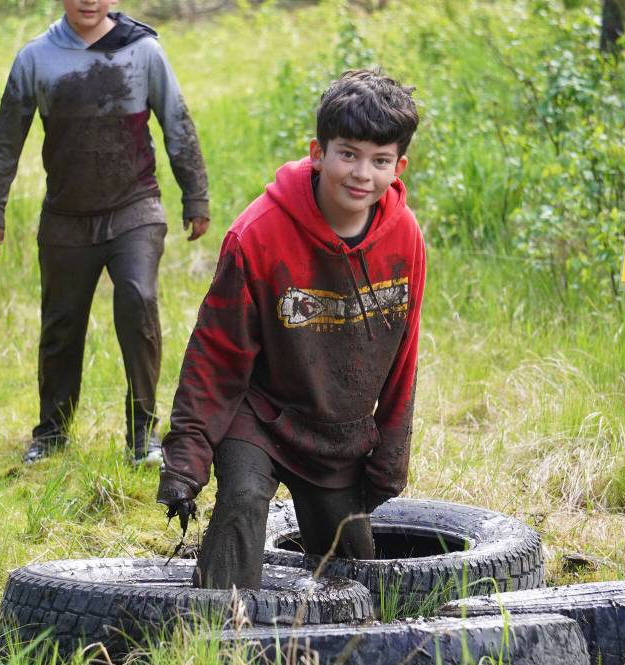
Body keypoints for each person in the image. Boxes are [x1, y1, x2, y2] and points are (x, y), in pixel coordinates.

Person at [156, 69, 426, 590]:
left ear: (399, 167)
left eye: (380, 160)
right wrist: (187, 459)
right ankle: (214, 641)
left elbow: (404, 355)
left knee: (355, 578)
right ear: (318, 152)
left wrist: (391, 456)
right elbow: (215, 351)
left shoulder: (406, 239)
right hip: (260, 419)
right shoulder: (258, 234)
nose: (362, 173)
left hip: (336, 437)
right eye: (347, 153)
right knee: (242, 501)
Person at [0, 0, 210, 465]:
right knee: (61, 324)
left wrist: (195, 196)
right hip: (66, 217)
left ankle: (143, 435)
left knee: (138, 299)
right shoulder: (35, 58)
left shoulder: (143, 52)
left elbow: (177, 123)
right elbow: (7, 136)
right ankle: (52, 433)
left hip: (135, 208)